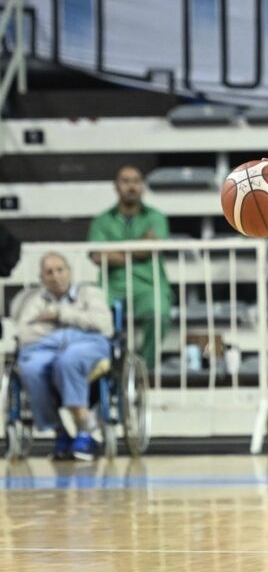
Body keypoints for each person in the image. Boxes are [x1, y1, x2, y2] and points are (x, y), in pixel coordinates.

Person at [14, 253, 113, 461]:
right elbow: (25, 334)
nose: (55, 276)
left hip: (88, 346)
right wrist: (66, 334)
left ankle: (85, 430)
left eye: (60, 270)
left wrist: (60, 315)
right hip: (45, 350)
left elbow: (103, 326)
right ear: (42, 278)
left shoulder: (90, 293)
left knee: (68, 359)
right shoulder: (35, 301)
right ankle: (59, 431)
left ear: (70, 272)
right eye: (49, 272)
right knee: (30, 367)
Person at [87, 165, 172, 371]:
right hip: (112, 285)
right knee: (93, 315)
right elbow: (98, 255)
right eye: (125, 181)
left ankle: (145, 368)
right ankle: (107, 369)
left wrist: (115, 252)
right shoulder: (102, 220)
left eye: (135, 181)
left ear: (142, 186)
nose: (131, 186)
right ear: (116, 187)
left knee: (159, 311)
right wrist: (139, 246)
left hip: (148, 284)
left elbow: (152, 249)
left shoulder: (156, 217)